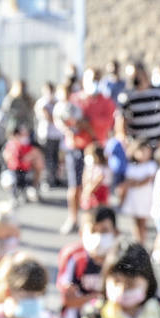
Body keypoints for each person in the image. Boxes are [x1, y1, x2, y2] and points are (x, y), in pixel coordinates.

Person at [55, 79, 93, 234]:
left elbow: (84, 123)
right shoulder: (61, 107)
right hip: (74, 148)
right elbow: (60, 122)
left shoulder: (82, 102)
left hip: (88, 147)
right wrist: (68, 128)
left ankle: (88, 221)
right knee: (74, 186)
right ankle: (73, 218)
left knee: (89, 186)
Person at [117, 61, 160, 146]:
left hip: (158, 142)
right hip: (138, 146)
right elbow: (121, 119)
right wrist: (125, 140)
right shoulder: (126, 96)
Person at [118, 139, 158, 243]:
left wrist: (136, 183)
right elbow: (129, 181)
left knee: (143, 221)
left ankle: (142, 241)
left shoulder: (151, 165)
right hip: (134, 198)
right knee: (135, 221)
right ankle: (137, 241)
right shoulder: (131, 166)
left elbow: (147, 180)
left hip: (145, 197)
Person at [3, 123, 45, 204]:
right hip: (13, 170)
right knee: (14, 182)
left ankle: (25, 194)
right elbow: (8, 157)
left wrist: (29, 159)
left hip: (25, 169)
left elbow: (35, 155)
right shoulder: (11, 144)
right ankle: (14, 196)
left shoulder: (29, 146)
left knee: (24, 182)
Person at [36, 83, 64, 188]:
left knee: (55, 158)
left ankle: (55, 178)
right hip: (46, 134)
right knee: (47, 158)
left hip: (57, 134)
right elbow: (48, 116)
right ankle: (46, 179)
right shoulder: (42, 103)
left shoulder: (57, 102)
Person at [79, 142, 112, 213]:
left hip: (97, 190)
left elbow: (99, 180)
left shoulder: (102, 168)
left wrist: (88, 190)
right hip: (91, 188)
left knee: (100, 211)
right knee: (91, 210)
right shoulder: (92, 166)